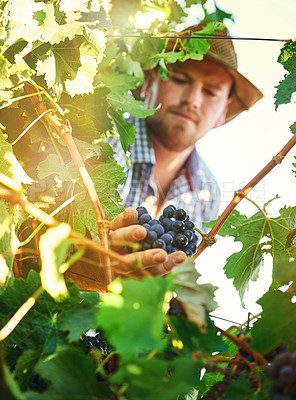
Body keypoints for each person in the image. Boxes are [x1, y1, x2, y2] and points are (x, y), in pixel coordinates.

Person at [66, 23, 262, 291]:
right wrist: (91, 263)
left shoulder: (209, 194)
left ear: (223, 110)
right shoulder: (94, 143)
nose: (192, 100)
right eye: (180, 79)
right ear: (149, 81)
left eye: (211, 92)